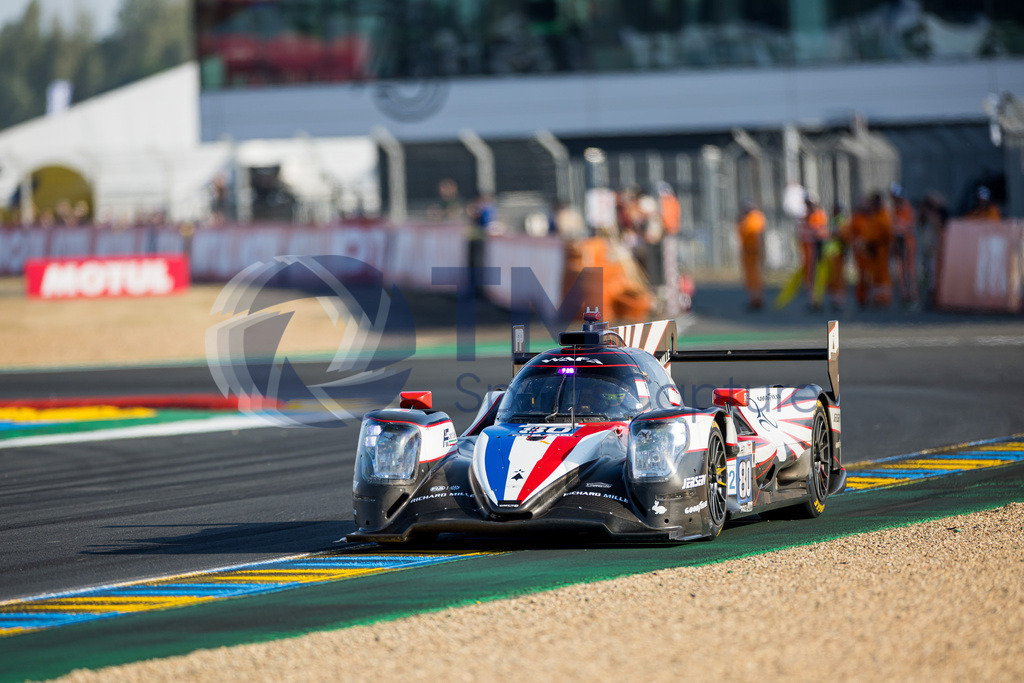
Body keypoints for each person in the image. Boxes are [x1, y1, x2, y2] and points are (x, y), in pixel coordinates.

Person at [862, 192, 893, 307]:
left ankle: (884, 298)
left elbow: (886, 232)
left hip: (881, 248)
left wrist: (875, 242)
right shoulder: (873, 214)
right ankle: (877, 298)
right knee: (874, 274)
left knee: (882, 274)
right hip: (873, 248)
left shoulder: (883, 214)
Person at [889, 183, 918, 307]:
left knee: (909, 271)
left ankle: (913, 297)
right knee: (900, 272)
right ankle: (904, 297)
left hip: (907, 244)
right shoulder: (895, 210)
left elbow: (908, 226)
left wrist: (899, 230)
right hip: (898, 244)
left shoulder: (906, 208)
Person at [799, 195, 829, 309]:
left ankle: (818, 300)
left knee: (818, 275)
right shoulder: (805, 216)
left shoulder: (818, 215)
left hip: (816, 248)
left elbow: (821, 233)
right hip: (807, 250)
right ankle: (812, 300)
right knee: (809, 276)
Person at [736, 200, 765, 310]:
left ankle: (756, 298)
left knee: (754, 275)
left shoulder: (754, 219)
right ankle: (754, 298)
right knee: (751, 276)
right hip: (748, 250)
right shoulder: (748, 219)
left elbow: (757, 235)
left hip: (752, 250)